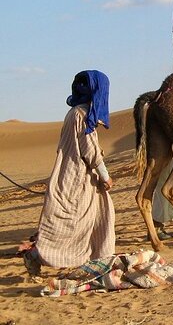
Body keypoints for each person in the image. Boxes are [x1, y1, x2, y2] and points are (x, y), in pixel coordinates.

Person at [22, 71, 115, 275]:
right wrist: (106, 176)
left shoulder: (77, 113)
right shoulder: (82, 115)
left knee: (98, 218)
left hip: (82, 179)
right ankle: (36, 256)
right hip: (76, 179)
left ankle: (96, 263)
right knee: (70, 226)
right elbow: (90, 151)